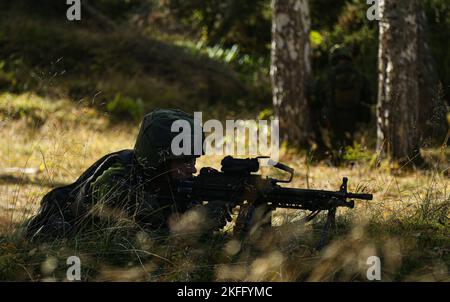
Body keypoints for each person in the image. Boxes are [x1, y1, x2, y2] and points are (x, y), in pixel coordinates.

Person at [26, 109, 230, 240]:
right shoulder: (115, 182)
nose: (192, 169)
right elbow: (134, 246)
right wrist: (196, 224)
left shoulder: (172, 184)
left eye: (193, 160)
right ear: (158, 160)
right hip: (60, 246)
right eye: (184, 161)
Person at [314, 45, 374, 162]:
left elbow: (317, 96)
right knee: (351, 141)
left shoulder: (327, 75)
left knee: (336, 140)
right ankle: (350, 158)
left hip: (333, 117)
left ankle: (337, 158)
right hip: (355, 117)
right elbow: (370, 97)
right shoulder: (359, 75)